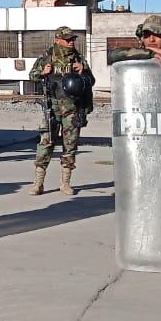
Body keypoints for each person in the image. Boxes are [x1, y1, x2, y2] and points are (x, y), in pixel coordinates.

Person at [28, 26, 95, 196]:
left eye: (73, 39)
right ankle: (38, 183)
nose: (71, 42)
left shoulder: (78, 59)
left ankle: (65, 183)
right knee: (45, 144)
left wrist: (83, 72)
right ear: (58, 40)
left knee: (70, 146)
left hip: (72, 108)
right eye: (68, 39)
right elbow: (32, 75)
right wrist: (43, 72)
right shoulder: (47, 56)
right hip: (52, 107)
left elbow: (91, 81)